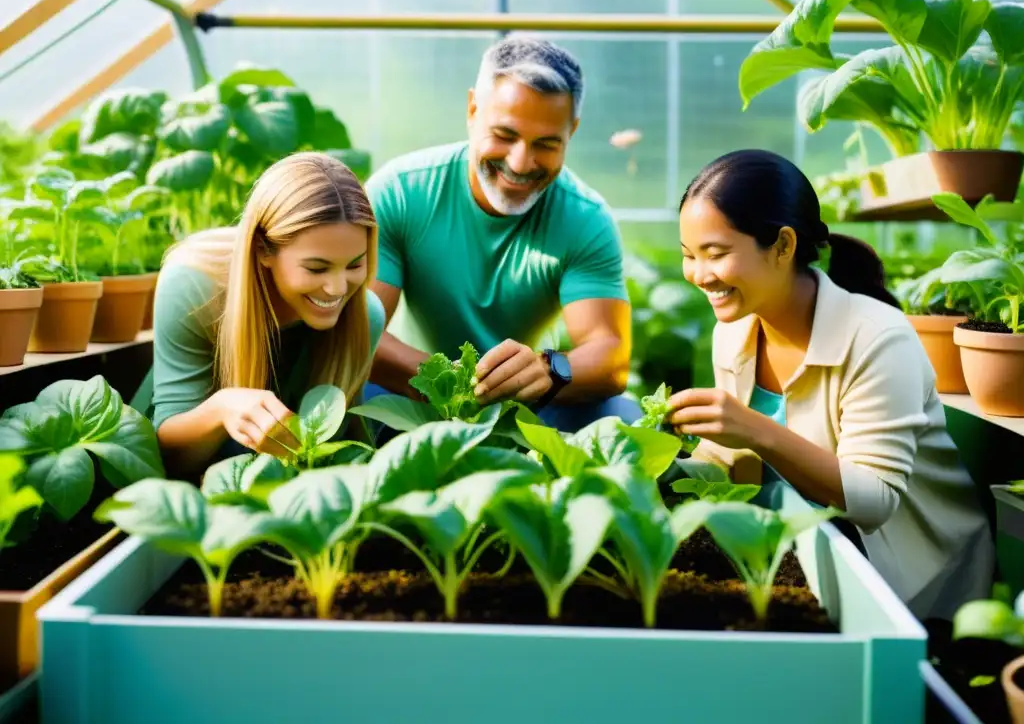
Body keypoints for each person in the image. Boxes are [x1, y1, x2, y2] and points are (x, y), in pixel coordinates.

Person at [666, 148, 994, 621]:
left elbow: (874, 498)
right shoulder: (734, 331)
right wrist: (654, 473)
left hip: (915, 592)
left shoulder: (878, 337)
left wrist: (753, 428)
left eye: (716, 254)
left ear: (782, 245)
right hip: (806, 559)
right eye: (689, 256)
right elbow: (731, 462)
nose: (700, 274)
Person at [362, 35, 640, 433]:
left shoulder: (585, 218)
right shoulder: (400, 191)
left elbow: (610, 355)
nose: (521, 163)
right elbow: (358, 330)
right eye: (505, 136)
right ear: (473, 109)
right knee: (340, 390)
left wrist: (549, 370)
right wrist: (446, 381)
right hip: (406, 387)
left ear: (572, 131)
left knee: (623, 420)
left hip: (524, 403)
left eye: (546, 144)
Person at [135, 152, 386, 474]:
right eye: (316, 268)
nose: (338, 288)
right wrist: (223, 407)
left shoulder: (366, 315)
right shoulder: (194, 285)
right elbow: (166, 456)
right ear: (263, 250)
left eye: (355, 265)